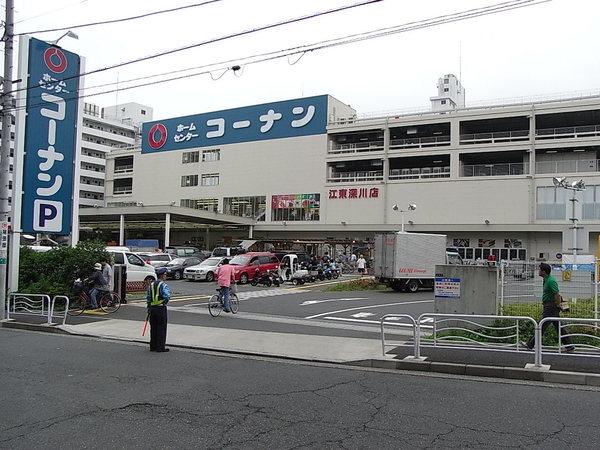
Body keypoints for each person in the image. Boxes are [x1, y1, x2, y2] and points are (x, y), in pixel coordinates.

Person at [523, 263, 574, 352]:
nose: (538, 271)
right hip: (550, 306)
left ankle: (530, 345)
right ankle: (569, 346)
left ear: (544, 271)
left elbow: (557, 294)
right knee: (558, 327)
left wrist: (558, 305)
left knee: (541, 325)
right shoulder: (546, 279)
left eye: (540, 270)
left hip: (551, 307)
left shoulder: (551, 281)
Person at [146, 267, 171, 352]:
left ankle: (153, 346)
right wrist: (164, 302)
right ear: (162, 276)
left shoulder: (151, 285)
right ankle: (160, 347)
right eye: (165, 275)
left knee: (153, 327)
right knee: (161, 327)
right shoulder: (163, 285)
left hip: (152, 308)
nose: (166, 276)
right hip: (161, 308)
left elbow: (148, 297)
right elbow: (167, 296)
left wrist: (149, 307)